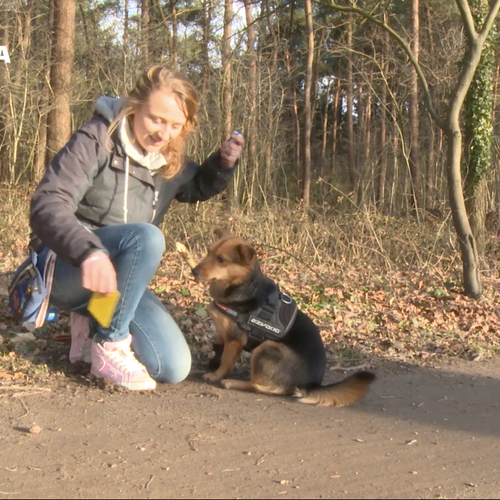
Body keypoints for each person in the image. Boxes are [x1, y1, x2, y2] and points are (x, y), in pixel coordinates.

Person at [29, 65, 244, 391]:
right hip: (68, 268)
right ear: (134, 106)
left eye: (175, 125)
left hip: (116, 283)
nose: (163, 133)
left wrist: (223, 165)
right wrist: (89, 252)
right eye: (156, 119)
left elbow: (196, 187)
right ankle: (109, 344)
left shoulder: (168, 158)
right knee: (146, 237)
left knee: (172, 366)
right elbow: (47, 204)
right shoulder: (96, 139)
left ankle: (94, 320)